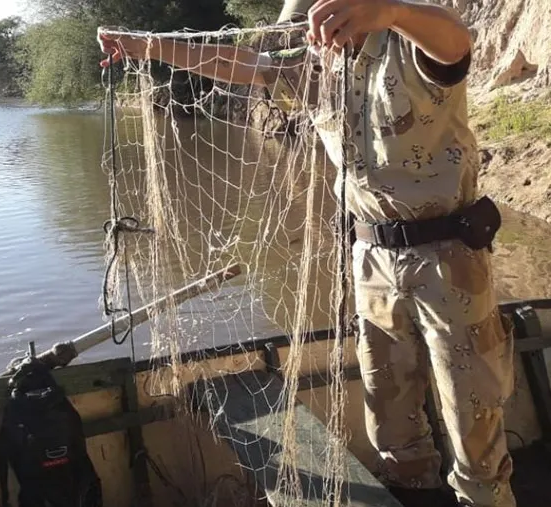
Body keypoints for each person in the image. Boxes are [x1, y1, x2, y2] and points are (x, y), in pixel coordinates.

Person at [98, 1, 516, 505]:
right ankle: (413, 491)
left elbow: (455, 41)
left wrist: (387, 12)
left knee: (472, 417)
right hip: (371, 262)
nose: (309, 39)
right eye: (302, 30)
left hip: (447, 261)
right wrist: (147, 47)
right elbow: (234, 63)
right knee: (390, 422)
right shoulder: (316, 72)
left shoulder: (411, 47)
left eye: (317, 25)